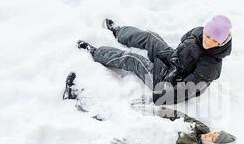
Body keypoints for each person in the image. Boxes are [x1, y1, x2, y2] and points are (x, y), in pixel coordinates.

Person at [76, 15, 232, 105]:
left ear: (222, 42)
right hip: (174, 62)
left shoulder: (211, 66)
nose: (208, 41)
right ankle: (119, 32)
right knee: (151, 37)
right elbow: (183, 44)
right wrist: (171, 57)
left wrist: (158, 97)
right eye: (208, 36)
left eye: (215, 41)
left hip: (169, 84)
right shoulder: (198, 32)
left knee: (133, 59)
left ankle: (96, 52)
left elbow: (188, 88)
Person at [28, 104, 237, 144]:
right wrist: (155, 110)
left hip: (147, 143)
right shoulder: (202, 130)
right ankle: (83, 101)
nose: (211, 133)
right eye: (215, 132)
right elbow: (179, 116)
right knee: (115, 116)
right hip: (151, 126)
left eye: (214, 138)